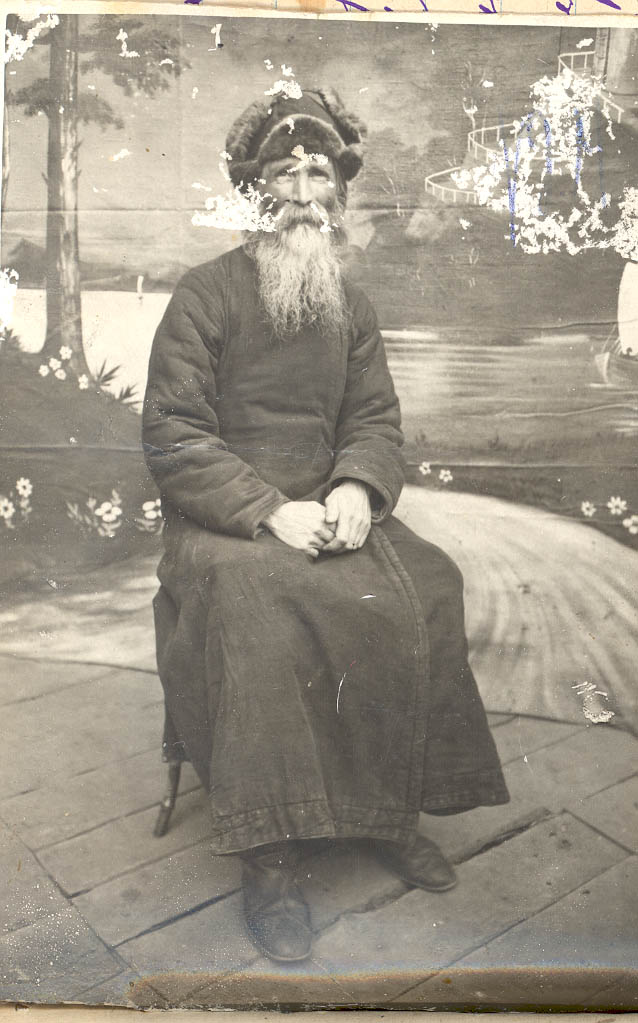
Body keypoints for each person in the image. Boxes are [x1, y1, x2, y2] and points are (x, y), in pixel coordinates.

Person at [142, 86, 509, 964]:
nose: (304, 197)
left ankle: (386, 812)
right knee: (257, 609)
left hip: (323, 505)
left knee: (427, 583)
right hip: (225, 523)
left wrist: (355, 488)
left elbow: (374, 419)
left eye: (319, 179)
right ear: (254, 191)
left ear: (340, 196)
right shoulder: (204, 295)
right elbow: (174, 432)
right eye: (285, 177)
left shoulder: (351, 304)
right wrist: (269, 509)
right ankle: (271, 860)